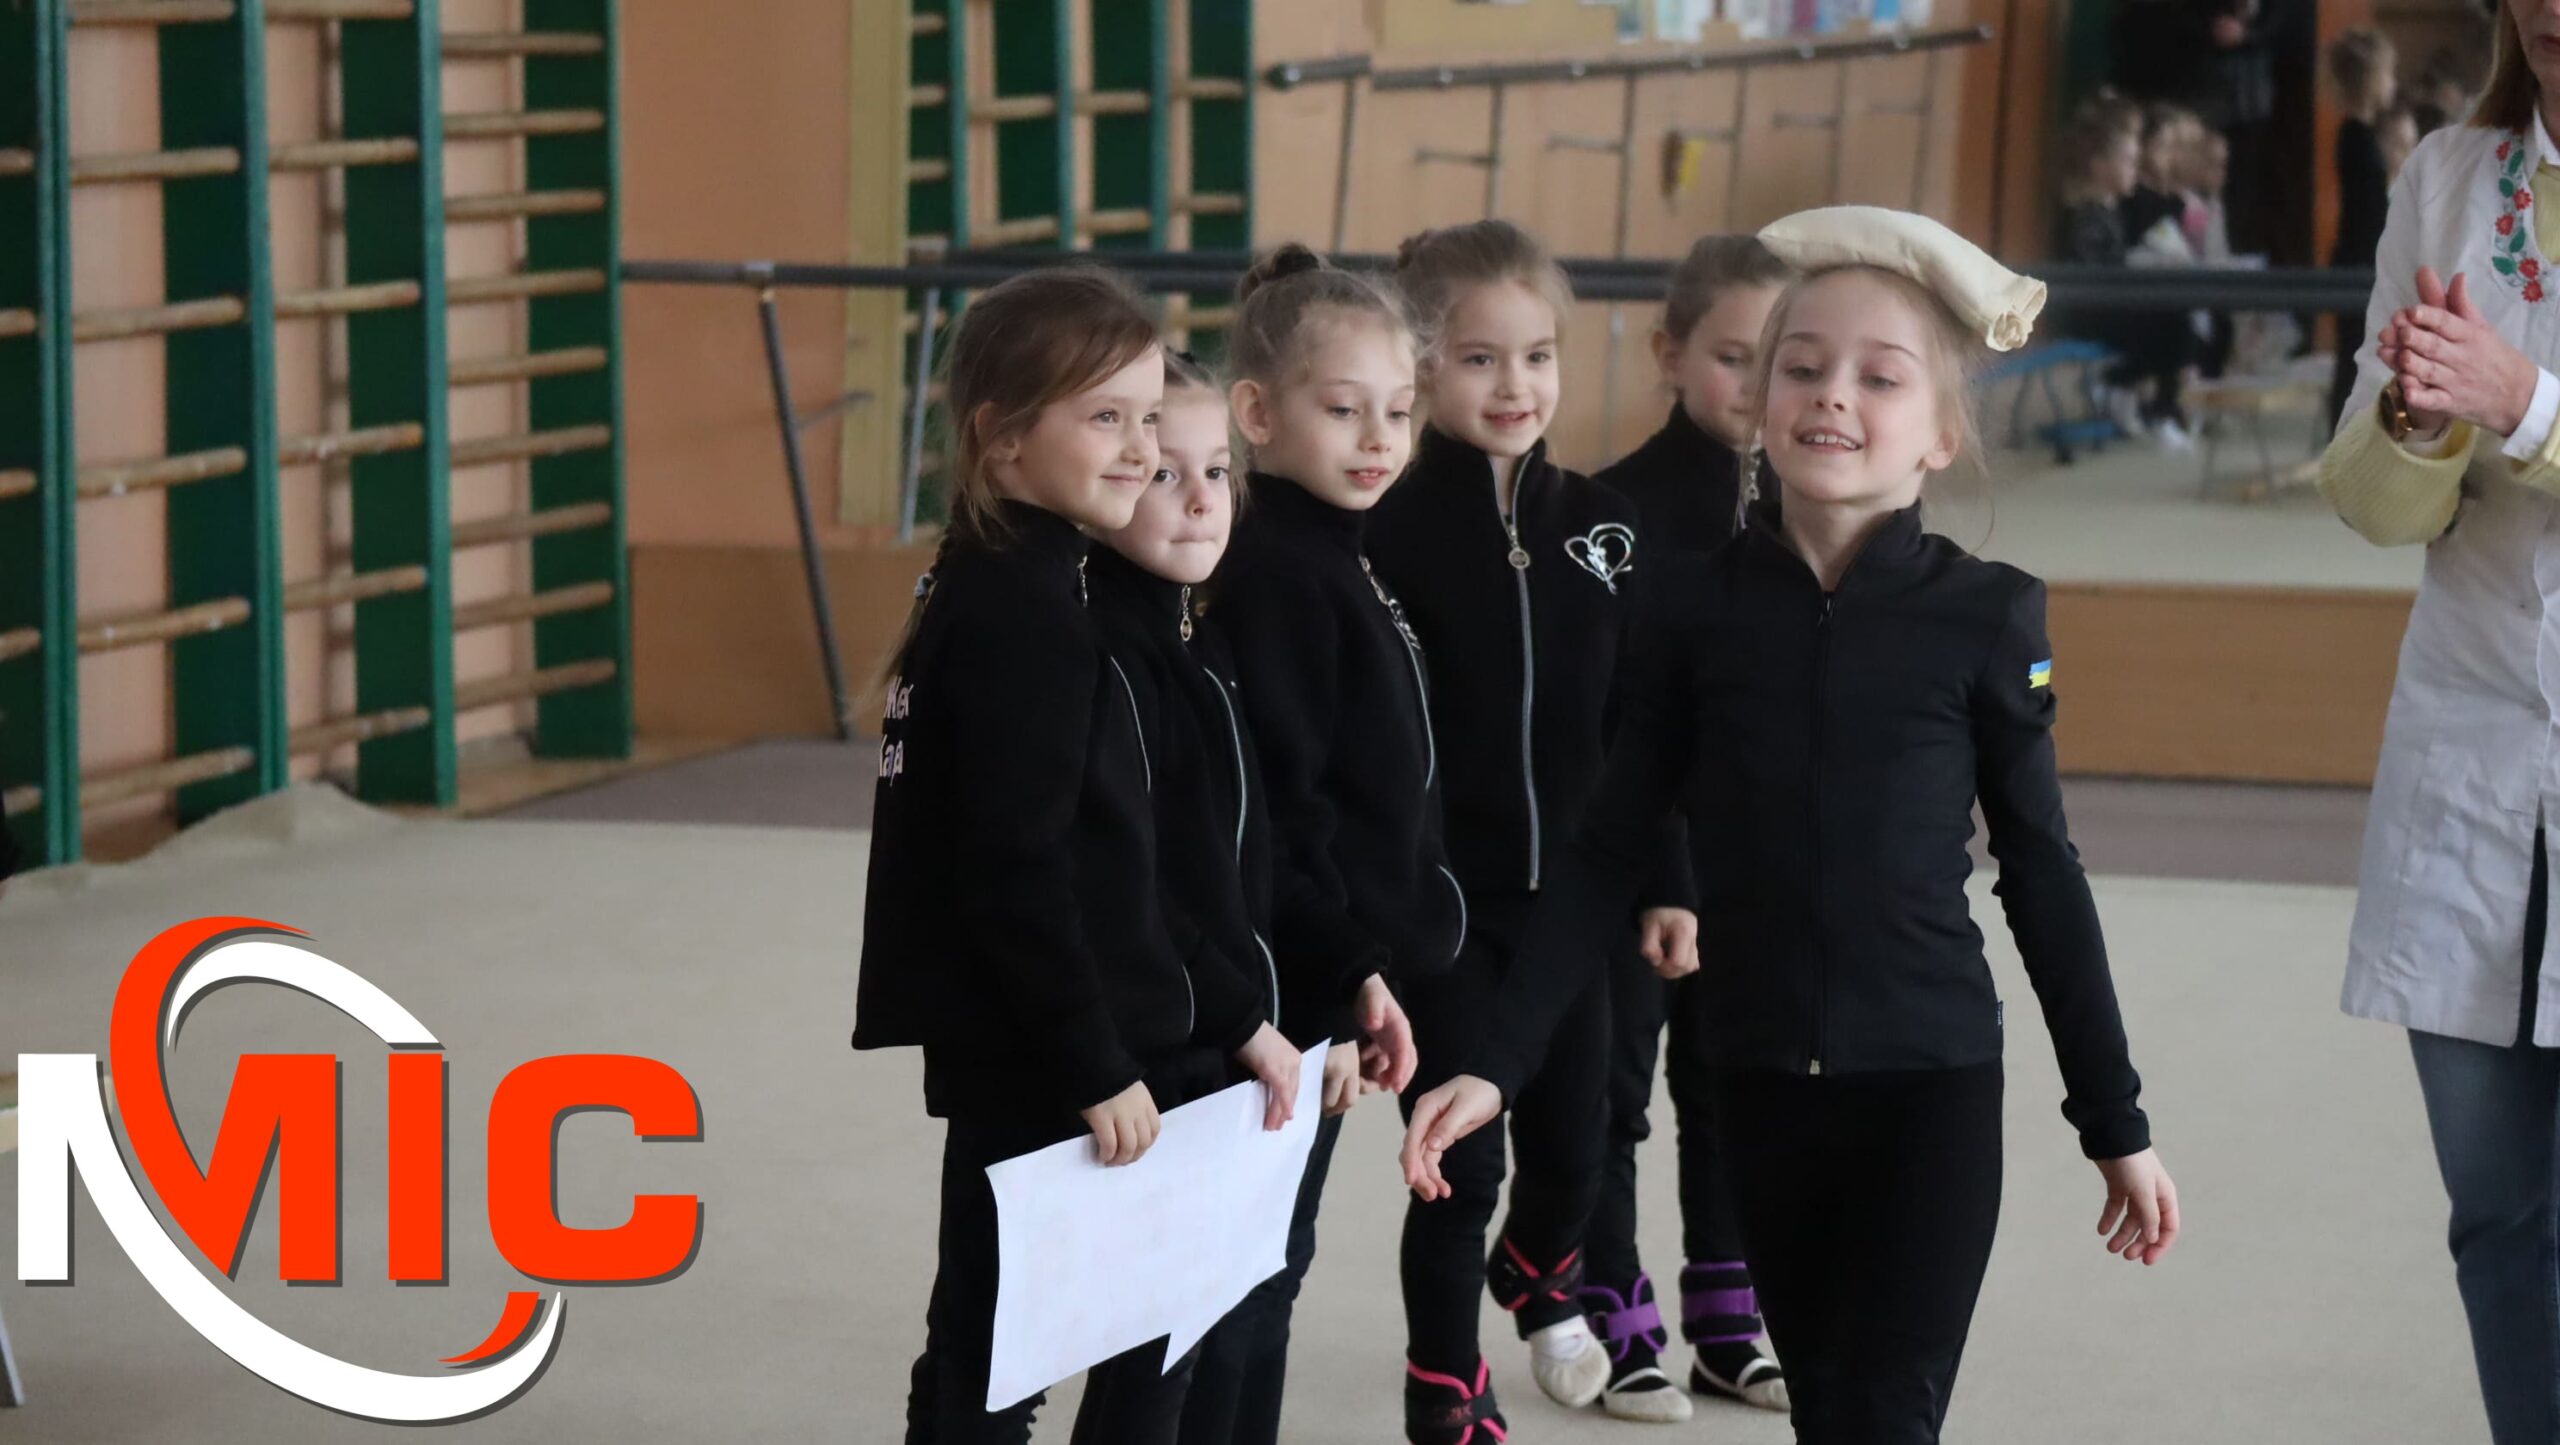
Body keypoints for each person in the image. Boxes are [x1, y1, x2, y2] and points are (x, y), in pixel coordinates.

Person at [1401, 206, 2182, 1445]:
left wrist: (2114, 1119)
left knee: (1886, 1415)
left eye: (1880, 377)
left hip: (1927, 1084)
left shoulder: (1986, 615)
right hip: (1760, 1081)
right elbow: (1606, 850)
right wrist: (1495, 1060)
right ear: (1762, 403)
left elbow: (2040, 870)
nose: (1832, 395)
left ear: (1940, 433)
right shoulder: (1688, 607)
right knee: (1831, 1410)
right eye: (1802, 366)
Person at [851, 267, 1298, 1445]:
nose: (1142, 450)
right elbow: (1017, 870)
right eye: (1106, 418)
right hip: (1050, 1053)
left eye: (1150, 416)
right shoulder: (1029, 614)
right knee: (1011, 1354)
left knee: (1007, 1343)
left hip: (1046, 1037)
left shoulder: (1019, 578)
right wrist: (1094, 1063)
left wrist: (1219, 1016)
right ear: (1002, 437)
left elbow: (1108, 852)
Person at [1363, 219, 1701, 1434]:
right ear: (1417, 367)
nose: (1516, 385)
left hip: (1579, 910)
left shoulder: (1602, 524)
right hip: (1446, 912)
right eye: (1479, 359)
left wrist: (1666, 879)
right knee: (1461, 1161)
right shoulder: (1384, 531)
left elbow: (1638, 723)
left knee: (1579, 1144)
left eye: (1538, 356)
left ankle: (1538, 1269)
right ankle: (1444, 1379)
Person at [2316, 6, 2560, 1438]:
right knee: (2497, 1212)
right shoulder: (2448, 177)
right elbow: (2372, 500)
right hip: (2471, 752)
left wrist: (2523, 404)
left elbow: (2521, 409)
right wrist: (2415, 426)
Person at [1208, 243, 1463, 1442]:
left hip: (1325, 971)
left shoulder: (1337, 556)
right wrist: (1343, 973)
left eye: (1398, 411)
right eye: (1343, 408)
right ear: (1257, 414)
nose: (1377, 438)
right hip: (1285, 980)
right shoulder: (1276, 573)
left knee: (1271, 1257)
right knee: (1243, 1271)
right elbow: (1285, 809)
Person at [1581, 231, 1794, 1419]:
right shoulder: (1616, 508)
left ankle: (1726, 1311)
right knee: (1615, 1093)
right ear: (1669, 354)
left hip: (1748, 860)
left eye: (1783, 358)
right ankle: (1614, 1311)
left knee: (1730, 1087)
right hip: (1637, 863)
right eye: (1732, 356)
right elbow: (1624, 716)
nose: (1759, 386)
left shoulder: (1813, 505)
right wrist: (1663, 872)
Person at [2331, 27, 2400, 424]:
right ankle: (2343, 434)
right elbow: (2366, 210)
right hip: (2359, 257)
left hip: (2368, 254)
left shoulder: (2367, 135)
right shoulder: (2354, 136)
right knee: (2353, 358)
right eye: (2388, 74)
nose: (2392, 83)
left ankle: (2378, 429)